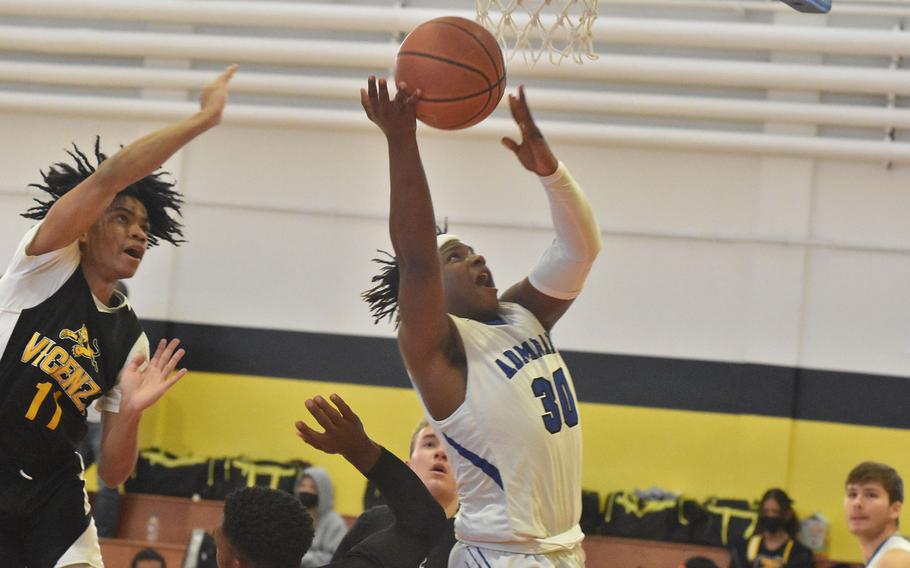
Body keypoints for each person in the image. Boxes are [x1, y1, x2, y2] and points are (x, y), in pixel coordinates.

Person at [0, 65, 238, 568]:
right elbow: (111, 175)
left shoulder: (131, 341)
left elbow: (112, 472)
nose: (138, 233)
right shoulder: (44, 262)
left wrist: (129, 414)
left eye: (145, 227)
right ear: (87, 228)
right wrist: (203, 120)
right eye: (122, 218)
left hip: (53, 491)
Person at [360, 76, 602, 567]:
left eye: (472, 251)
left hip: (562, 549)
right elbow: (417, 262)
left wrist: (551, 173)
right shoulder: (439, 349)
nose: (476, 258)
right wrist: (401, 140)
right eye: (457, 257)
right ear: (431, 294)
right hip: (500, 556)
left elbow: (580, 249)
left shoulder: (521, 314)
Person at [212, 394, 447, 568]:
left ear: (234, 563)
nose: (440, 453)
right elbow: (424, 523)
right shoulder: (377, 521)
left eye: (217, 542)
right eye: (429, 443)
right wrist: (362, 451)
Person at [332, 419, 459, 566]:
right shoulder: (371, 520)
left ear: (466, 474)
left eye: (451, 448)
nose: (441, 452)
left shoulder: (473, 536)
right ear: (408, 467)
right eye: (430, 444)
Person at [844, 462, 910, 568]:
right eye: (852, 494)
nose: (857, 503)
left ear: (895, 510)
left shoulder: (896, 560)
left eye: (871, 495)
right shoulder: (886, 554)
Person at [730, 489, 814, 568]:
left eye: (775, 512)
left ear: (787, 514)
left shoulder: (799, 553)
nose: (770, 516)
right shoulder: (743, 548)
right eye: (766, 512)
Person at [297, 466, 348, 566]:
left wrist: (300, 558)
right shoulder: (293, 517)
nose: (306, 490)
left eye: (312, 487)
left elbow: (336, 558)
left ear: (323, 491)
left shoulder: (335, 523)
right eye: (302, 485)